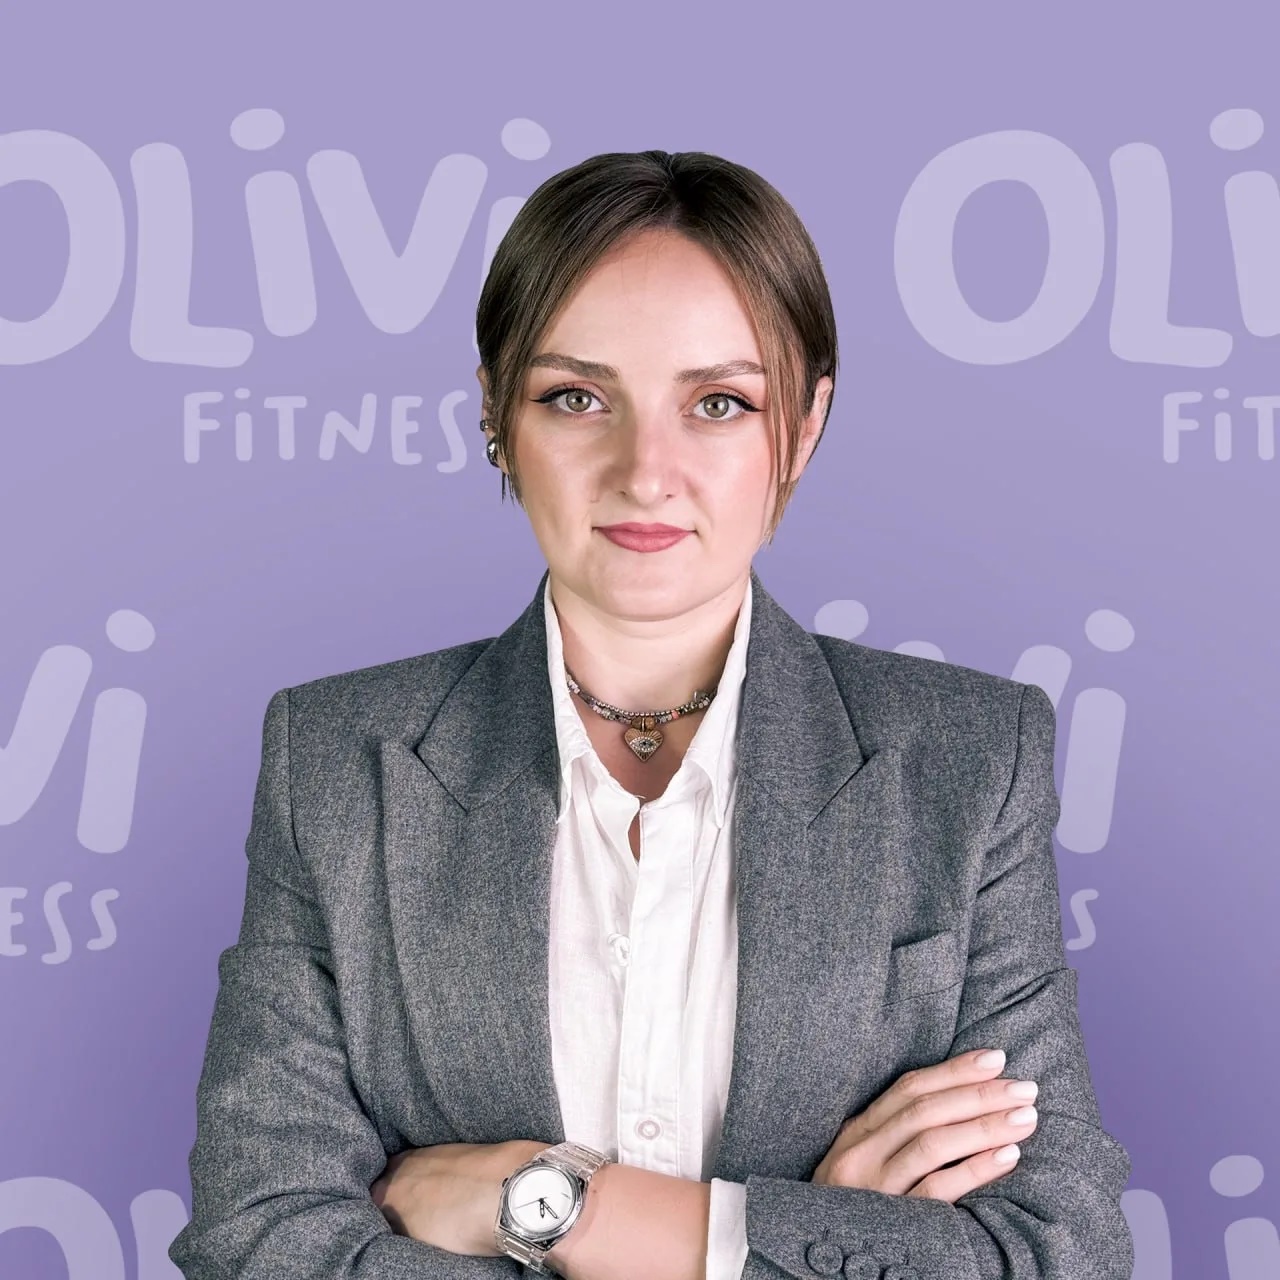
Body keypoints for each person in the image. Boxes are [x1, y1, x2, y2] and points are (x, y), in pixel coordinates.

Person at [169, 150, 1133, 1280]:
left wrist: (545, 1204)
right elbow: (258, 1239)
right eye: (575, 398)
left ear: (804, 426)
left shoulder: (969, 761)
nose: (645, 471)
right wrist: (801, 1238)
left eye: (719, 403)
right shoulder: (335, 761)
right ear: (494, 413)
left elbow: (1054, 1252)